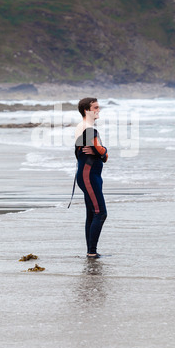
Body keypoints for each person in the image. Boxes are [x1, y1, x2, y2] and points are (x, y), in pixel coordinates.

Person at [74, 97, 108, 258]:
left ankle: (91, 251)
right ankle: (92, 252)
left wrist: (101, 152)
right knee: (100, 213)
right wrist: (104, 152)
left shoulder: (83, 127)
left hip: (89, 174)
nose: (98, 110)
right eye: (95, 107)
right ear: (87, 110)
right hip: (89, 175)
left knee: (92, 213)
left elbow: (96, 151)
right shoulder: (88, 128)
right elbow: (100, 151)